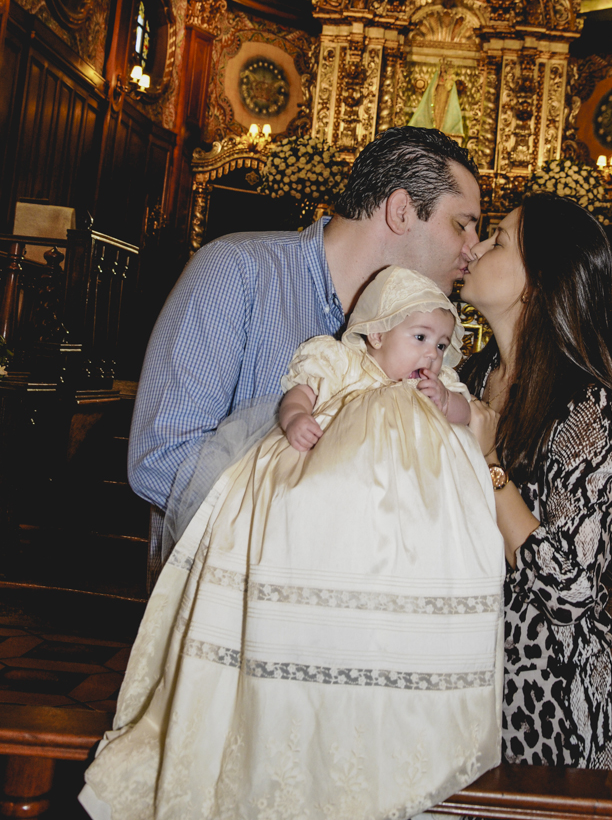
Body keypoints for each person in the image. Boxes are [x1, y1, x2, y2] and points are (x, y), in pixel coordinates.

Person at [80, 267, 504, 820]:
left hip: (405, 526)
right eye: (419, 338)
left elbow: (469, 418)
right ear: (376, 332)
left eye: (442, 344)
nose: (431, 354)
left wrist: (442, 402)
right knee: (297, 515)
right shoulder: (338, 362)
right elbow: (297, 395)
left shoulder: (438, 385)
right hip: (327, 500)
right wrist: (299, 417)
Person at [128, 126, 481, 576]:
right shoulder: (238, 271)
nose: (474, 249)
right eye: (462, 224)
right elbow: (162, 457)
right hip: (233, 595)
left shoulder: (423, 339)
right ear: (401, 211)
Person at [460, 192, 612, 768]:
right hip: (465, 665)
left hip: (546, 692)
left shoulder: (588, 408)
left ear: (537, 284)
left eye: (500, 240)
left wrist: (490, 467)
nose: (479, 246)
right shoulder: (466, 377)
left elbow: (569, 589)